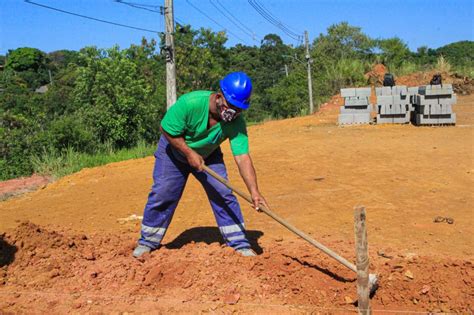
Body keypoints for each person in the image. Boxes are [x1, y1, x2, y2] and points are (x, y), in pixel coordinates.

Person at [133, 72, 268, 258]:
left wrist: (254, 191)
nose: (234, 113)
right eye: (232, 107)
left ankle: (239, 243)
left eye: (239, 109)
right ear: (219, 97)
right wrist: (189, 153)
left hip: (209, 155)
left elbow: (242, 157)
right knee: (163, 192)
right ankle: (147, 241)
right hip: (173, 151)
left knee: (223, 193)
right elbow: (166, 128)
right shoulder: (191, 103)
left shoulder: (236, 122)